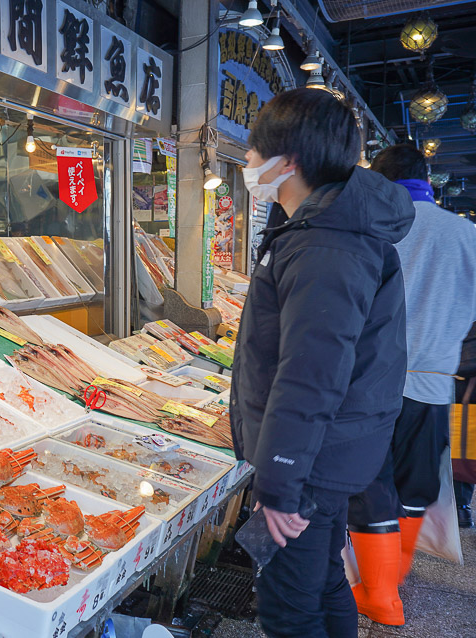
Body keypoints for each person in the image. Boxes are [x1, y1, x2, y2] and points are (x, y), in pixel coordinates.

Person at [230, 88, 414, 638]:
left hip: (309, 465)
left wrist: (280, 484)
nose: (246, 163)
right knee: (323, 581)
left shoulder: (326, 245)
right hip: (330, 456)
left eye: (253, 152)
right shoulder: (328, 230)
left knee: (289, 608)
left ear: (289, 162)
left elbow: (310, 375)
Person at [344, 144, 476, 625]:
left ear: (379, 182)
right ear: (426, 180)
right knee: (414, 488)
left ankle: (380, 595)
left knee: (369, 484)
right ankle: (392, 581)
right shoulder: (467, 234)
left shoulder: (374, 227)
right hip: (436, 385)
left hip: (371, 384)